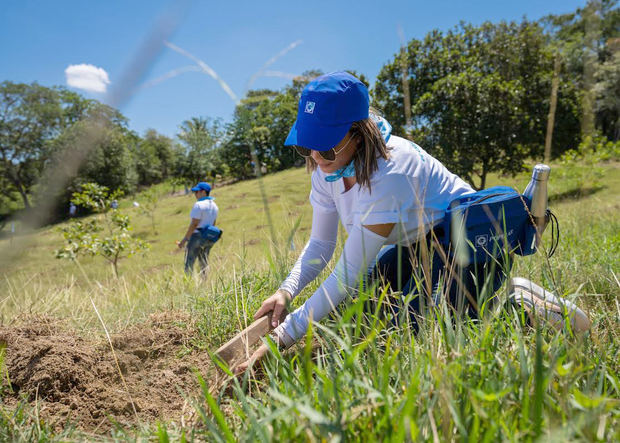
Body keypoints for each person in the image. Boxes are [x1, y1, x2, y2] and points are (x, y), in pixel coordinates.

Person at [236, 72, 590, 373]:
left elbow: (347, 273)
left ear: (359, 135)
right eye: (307, 146)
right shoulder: (326, 169)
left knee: (427, 334)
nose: (315, 157)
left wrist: (282, 338)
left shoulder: (391, 174)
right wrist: (286, 291)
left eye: (326, 148)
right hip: (411, 243)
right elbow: (322, 244)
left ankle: (516, 305)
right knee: (356, 315)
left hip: (462, 243)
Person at [177, 181, 219, 276]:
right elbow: (213, 223)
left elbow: (194, 224)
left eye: (197, 192)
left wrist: (184, 240)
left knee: (189, 262)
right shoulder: (214, 206)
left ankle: (188, 283)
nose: (195, 194)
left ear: (203, 192)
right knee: (204, 262)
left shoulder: (199, 205)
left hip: (197, 236)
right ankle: (204, 283)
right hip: (208, 236)